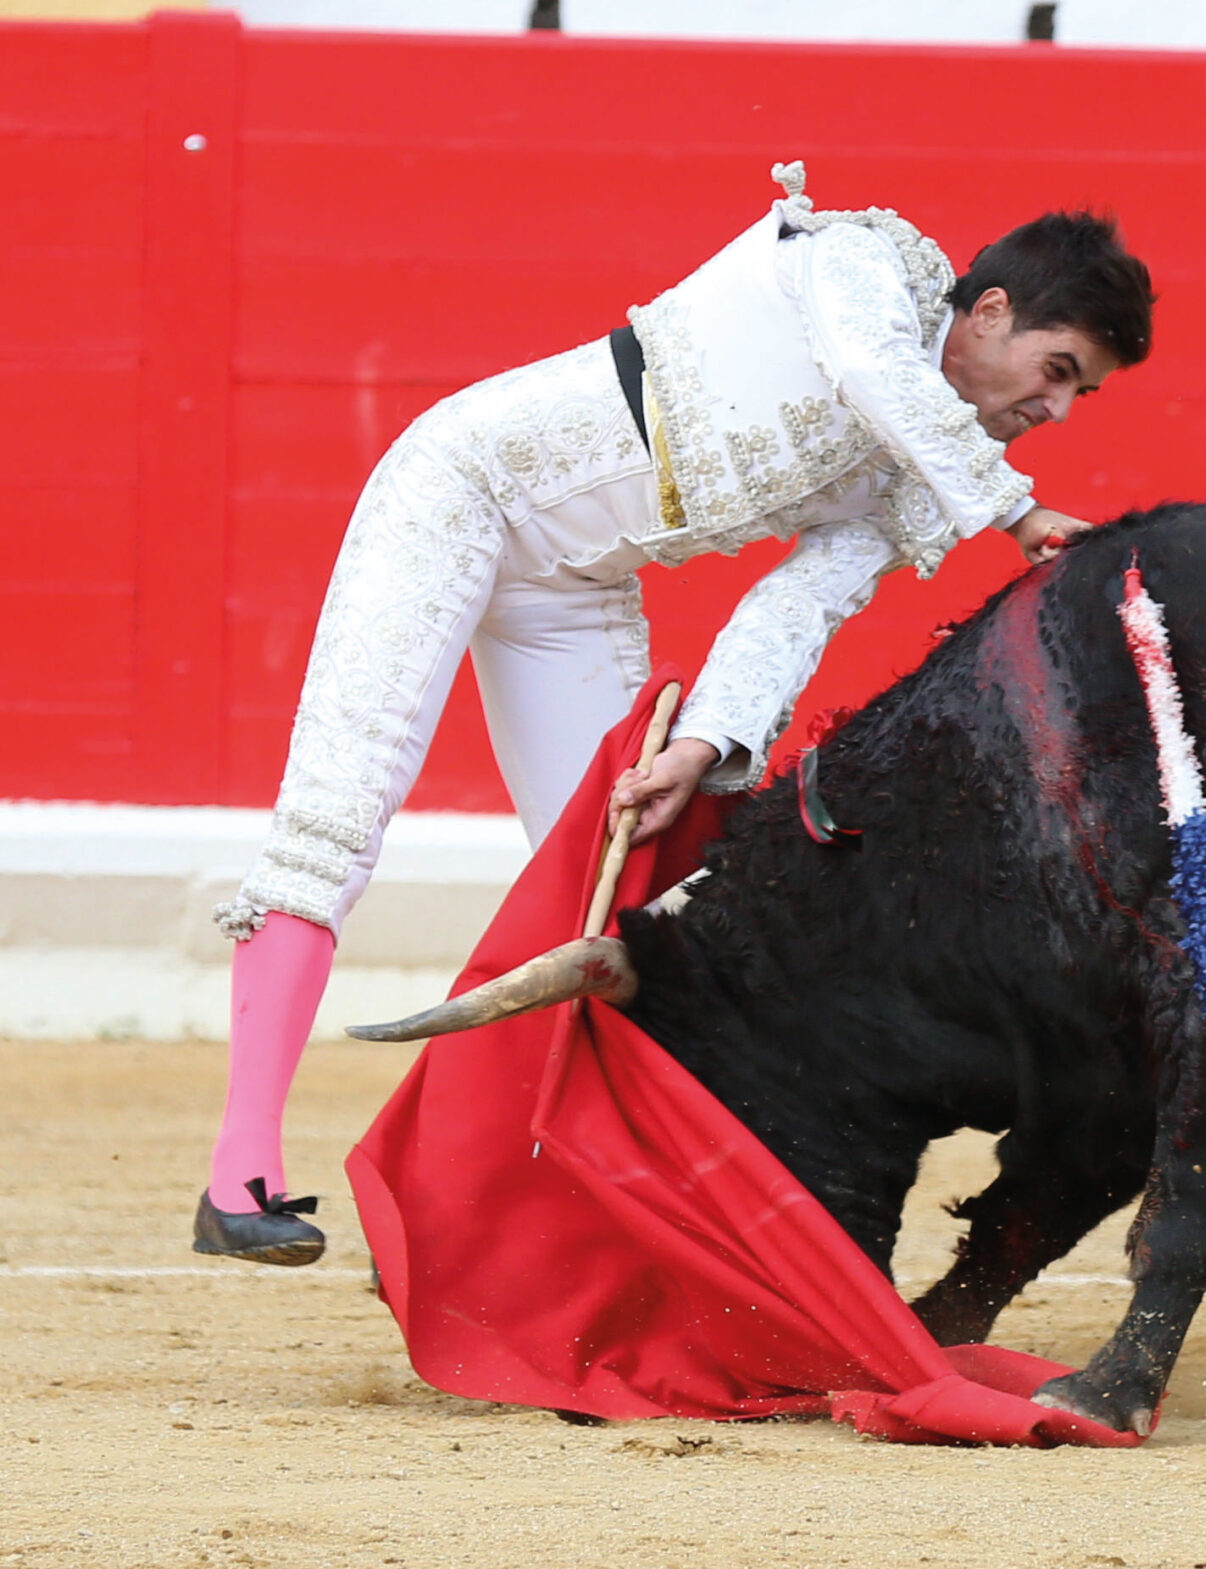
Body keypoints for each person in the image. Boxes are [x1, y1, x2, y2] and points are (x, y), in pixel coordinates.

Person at [196, 162, 1154, 1266]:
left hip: (570, 592)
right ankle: (240, 1175)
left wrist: (701, 744)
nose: (1057, 408)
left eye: (1081, 393)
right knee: (334, 820)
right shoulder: (857, 264)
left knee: (623, 891)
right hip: (458, 493)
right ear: (989, 311)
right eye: (1058, 369)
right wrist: (1014, 511)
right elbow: (871, 372)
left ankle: (523, 1218)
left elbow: (796, 606)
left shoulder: (921, 478)